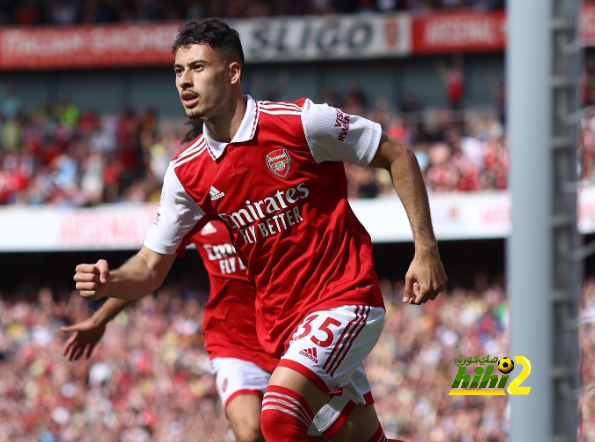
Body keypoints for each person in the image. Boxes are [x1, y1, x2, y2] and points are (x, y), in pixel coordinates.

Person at [73, 19, 447, 442]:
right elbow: (151, 267)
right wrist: (112, 281)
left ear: (233, 72)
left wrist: (426, 248)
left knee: (276, 418)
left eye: (197, 67)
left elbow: (397, 155)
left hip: (343, 299)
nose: (184, 81)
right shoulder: (185, 173)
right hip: (282, 328)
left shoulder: (300, 123)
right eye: (178, 71)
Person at [63, 221, 358, 442]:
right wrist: (99, 319)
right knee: (249, 432)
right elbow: (150, 273)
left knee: (334, 433)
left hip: (291, 339)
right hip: (232, 343)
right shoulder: (194, 207)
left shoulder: (268, 201)